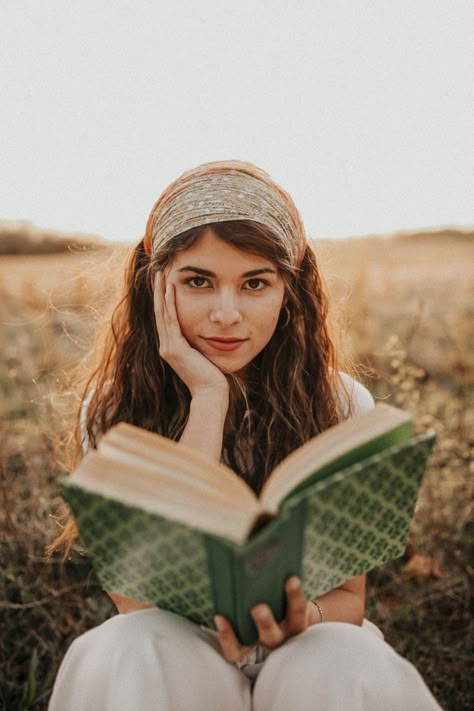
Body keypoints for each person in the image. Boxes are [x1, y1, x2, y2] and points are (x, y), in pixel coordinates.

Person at [47, 160, 442, 710]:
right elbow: (138, 599)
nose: (226, 313)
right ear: (156, 285)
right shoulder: (114, 410)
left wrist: (305, 619)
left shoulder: (341, 402)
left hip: (304, 650)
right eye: (198, 282)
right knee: (128, 647)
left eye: (254, 283)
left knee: (343, 657)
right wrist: (209, 399)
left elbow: (350, 598)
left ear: (290, 291)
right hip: (178, 652)